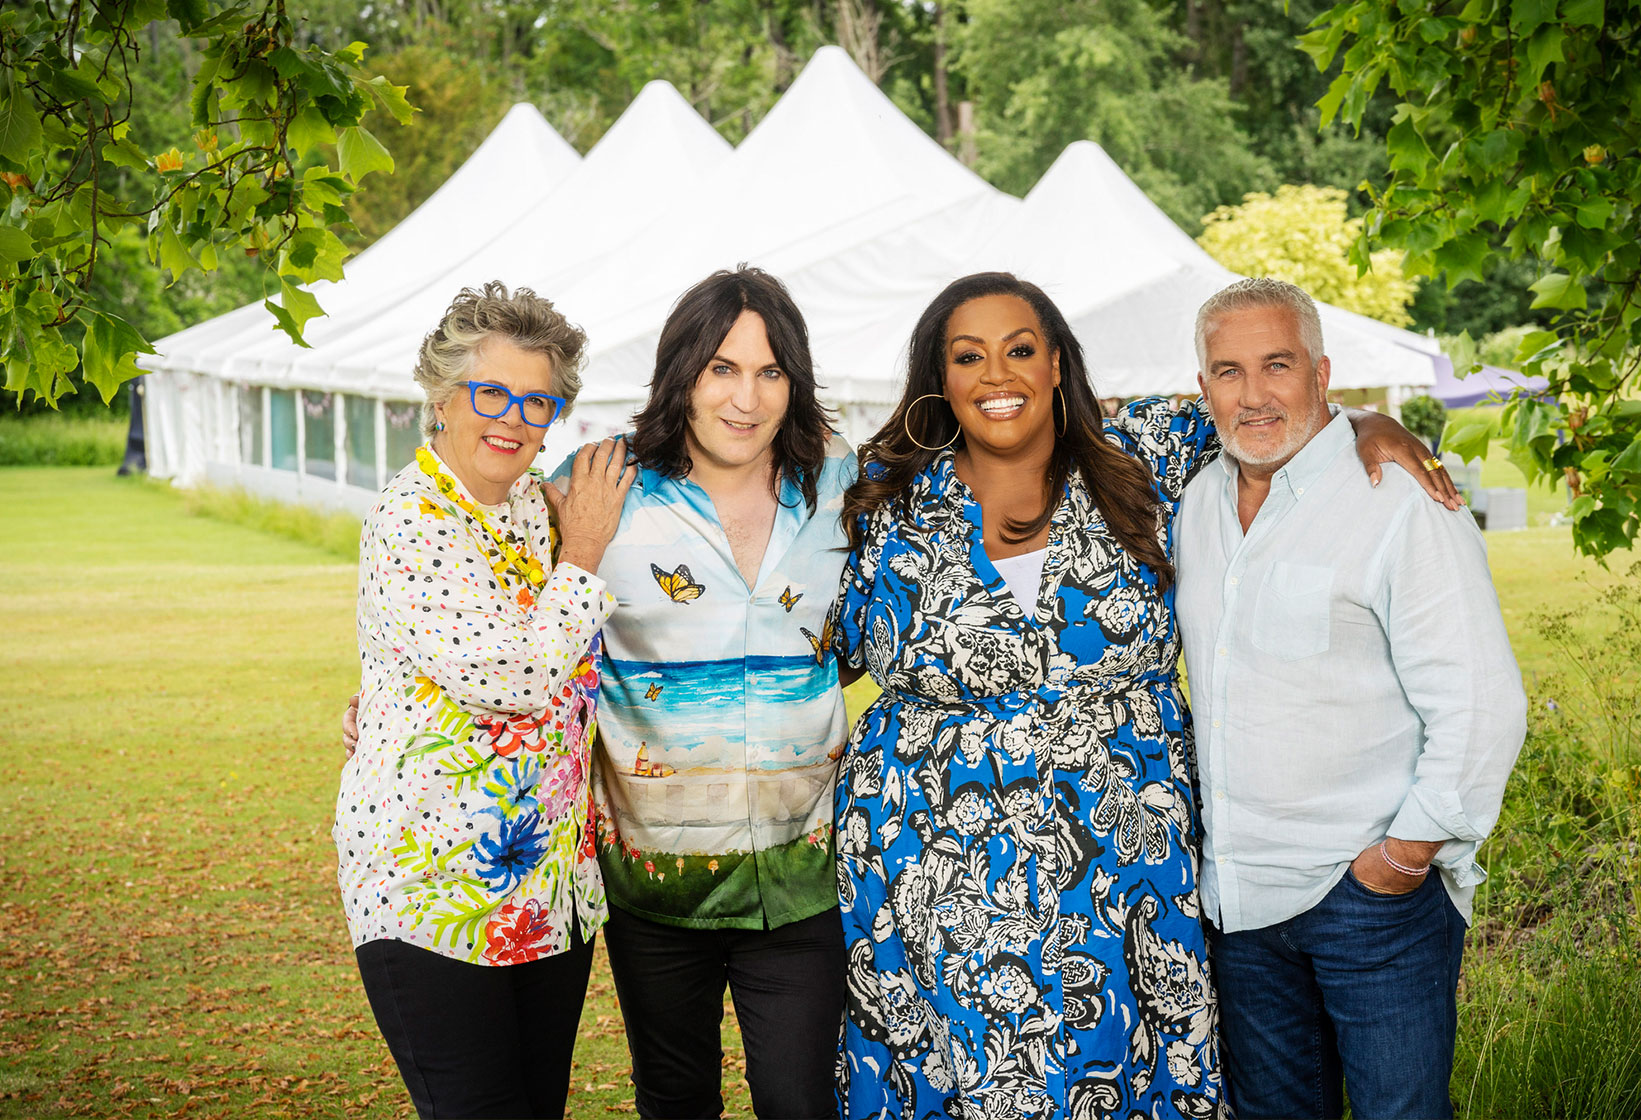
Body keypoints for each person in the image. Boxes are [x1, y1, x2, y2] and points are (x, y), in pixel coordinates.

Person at [829, 272, 1454, 1119]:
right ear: (941, 379)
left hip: (1126, 865)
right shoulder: (891, 498)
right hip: (936, 866)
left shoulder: (1140, 454)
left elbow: (1272, 407)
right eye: (968, 356)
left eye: (1019, 349)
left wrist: (1373, 423)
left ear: (1056, 363)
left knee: (1122, 1074)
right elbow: (827, 652)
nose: (997, 375)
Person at [348, 266, 855, 1117]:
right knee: (670, 1099)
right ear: (682, 375)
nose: (746, 396)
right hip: (624, 882)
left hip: (775, 878)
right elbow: (491, 631)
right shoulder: (595, 494)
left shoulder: (843, 490)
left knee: (802, 1104)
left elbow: (879, 628)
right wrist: (386, 692)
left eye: (770, 371)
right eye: (722, 368)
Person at [1172, 278, 1527, 1120]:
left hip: (1370, 901)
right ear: (1203, 389)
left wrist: (1399, 863)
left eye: (1277, 365)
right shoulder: (1192, 505)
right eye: (1228, 371)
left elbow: (1482, 704)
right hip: (1239, 905)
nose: (1253, 394)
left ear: (1323, 374)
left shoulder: (1400, 501)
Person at [334, 282, 634, 1120]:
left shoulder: (539, 512)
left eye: (537, 401)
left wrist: (384, 700)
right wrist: (585, 556)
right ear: (440, 396)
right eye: (491, 392)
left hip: (547, 890)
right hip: (435, 892)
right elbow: (511, 681)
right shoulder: (413, 515)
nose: (512, 417)